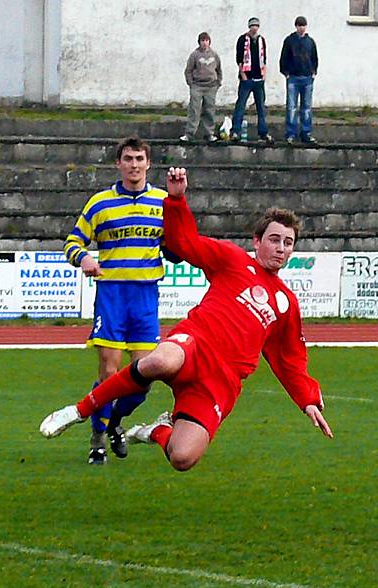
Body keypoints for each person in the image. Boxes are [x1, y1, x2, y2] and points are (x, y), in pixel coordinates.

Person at [42, 167, 333, 471]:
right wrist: (177, 200)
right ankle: (79, 410)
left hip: (222, 381)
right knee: (159, 362)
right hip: (195, 343)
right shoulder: (232, 259)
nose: (281, 248)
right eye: (275, 240)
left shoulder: (286, 303)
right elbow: (185, 243)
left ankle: (155, 430)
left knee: (183, 458)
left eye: (288, 243)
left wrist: (307, 399)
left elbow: (290, 359)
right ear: (257, 241)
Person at [64, 137, 173, 465]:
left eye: (139, 158)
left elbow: (176, 245)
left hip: (145, 297)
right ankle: (98, 439)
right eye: (128, 159)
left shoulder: (164, 202)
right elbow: (72, 241)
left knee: (145, 378)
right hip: (111, 296)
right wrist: (82, 257)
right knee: (110, 374)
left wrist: (180, 251)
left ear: (148, 163)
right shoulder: (100, 203)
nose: (134, 164)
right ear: (119, 163)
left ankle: (112, 424)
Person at [230, 17, 272, 143]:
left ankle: (263, 132)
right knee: (241, 105)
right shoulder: (242, 39)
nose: (254, 28)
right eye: (252, 26)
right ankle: (235, 131)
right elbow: (239, 58)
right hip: (246, 78)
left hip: (259, 79)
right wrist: (243, 74)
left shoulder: (261, 40)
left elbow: (264, 58)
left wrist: (264, 74)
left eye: (256, 26)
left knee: (261, 107)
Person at [280, 15, 318, 145]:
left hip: (307, 78)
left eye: (303, 25)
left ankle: (306, 133)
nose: (301, 28)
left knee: (306, 107)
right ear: (296, 26)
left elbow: (314, 58)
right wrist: (286, 73)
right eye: (299, 25)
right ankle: (291, 133)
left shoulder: (310, 41)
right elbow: (283, 58)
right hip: (293, 78)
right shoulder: (289, 41)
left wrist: (313, 72)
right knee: (291, 107)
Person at [180, 32, 222, 143]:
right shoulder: (194, 55)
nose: (204, 43)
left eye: (206, 40)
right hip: (197, 86)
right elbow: (188, 70)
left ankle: (209, 134)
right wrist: (191, 83)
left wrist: (218, 82)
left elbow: (219, 69)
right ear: (199, 42)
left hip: (211, 87)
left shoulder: (214, 55)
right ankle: (189, 134)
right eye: (202, 40)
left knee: (209, 110)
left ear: (209, 41)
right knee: (194, 110)